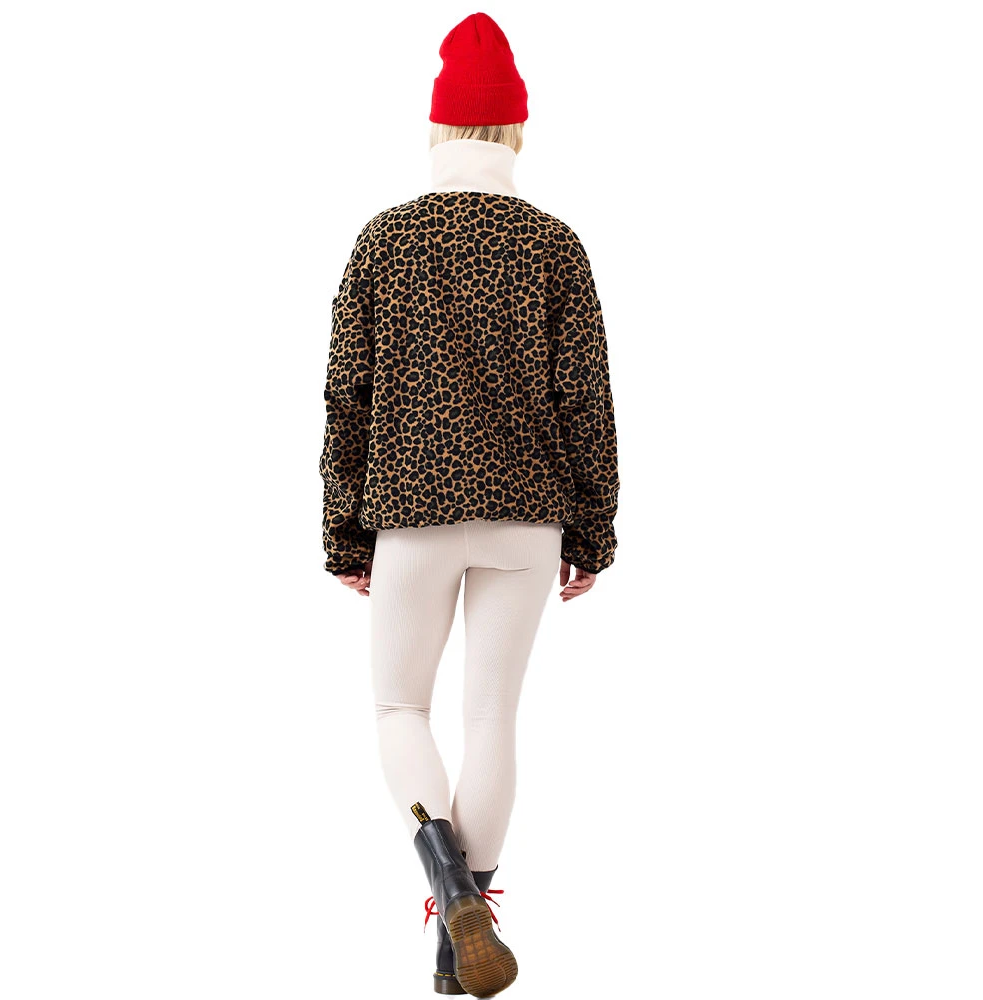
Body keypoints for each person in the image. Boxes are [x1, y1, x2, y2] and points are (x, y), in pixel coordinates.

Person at [320, 12, 621, 996]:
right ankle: (463, 943)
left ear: (438, 126)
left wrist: (343, 530)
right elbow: (586, 399)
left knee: (400, 705)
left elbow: (346, 395)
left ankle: (449, 894)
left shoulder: (385, 240)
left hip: (410, 512)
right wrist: (593, 529)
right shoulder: (554, 245)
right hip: (527, 517)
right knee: (491, 714)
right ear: (515, 129)